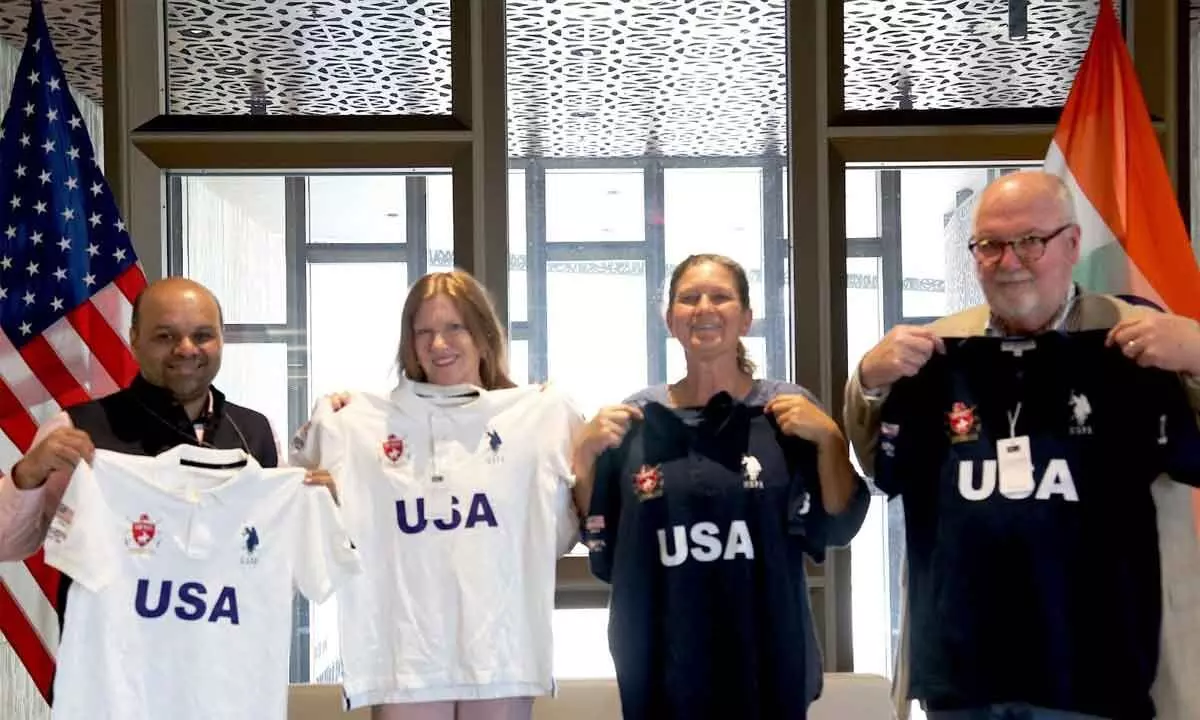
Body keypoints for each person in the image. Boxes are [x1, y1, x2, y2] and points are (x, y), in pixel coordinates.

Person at [843, 170, 1200, 720]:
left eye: (1030, 241)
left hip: (1097, 676)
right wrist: (866, 377)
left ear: (1073, 243)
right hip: (967, 683)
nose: (1009, 261)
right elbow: (877, 466)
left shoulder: (1136, 343)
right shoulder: (936, 350)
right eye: (989, 245)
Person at [573, 253, 870, 720]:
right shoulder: (633, 423)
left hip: (767, 671)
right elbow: (601, 543)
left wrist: (831, 439)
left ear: (746, 318)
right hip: (664, 674)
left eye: (721, 296)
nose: (704, 308)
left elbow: (836, 527)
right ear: (671, 320)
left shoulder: (786, 412)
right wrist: (584, 457)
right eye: (689, 298)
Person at [289, 269, 582, 720]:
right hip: (403, 662)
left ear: (484, 334)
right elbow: (304, 497)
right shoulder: (359, 422)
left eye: (453, 327)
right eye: (423, 331)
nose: (438, 344)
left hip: (501, 657)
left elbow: (561, 531)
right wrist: (321, 444)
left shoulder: (538, 416)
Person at [0, 277, 332, 566]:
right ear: (134, 339)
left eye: (202, 336)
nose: (186, 349)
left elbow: (285, 553)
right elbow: (9, 545)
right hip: (113, 639)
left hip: (230, 636)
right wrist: (28, 474)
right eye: (165, 336)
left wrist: (323, 506)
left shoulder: (256, 432)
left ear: (221, 339)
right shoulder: (76, 429)